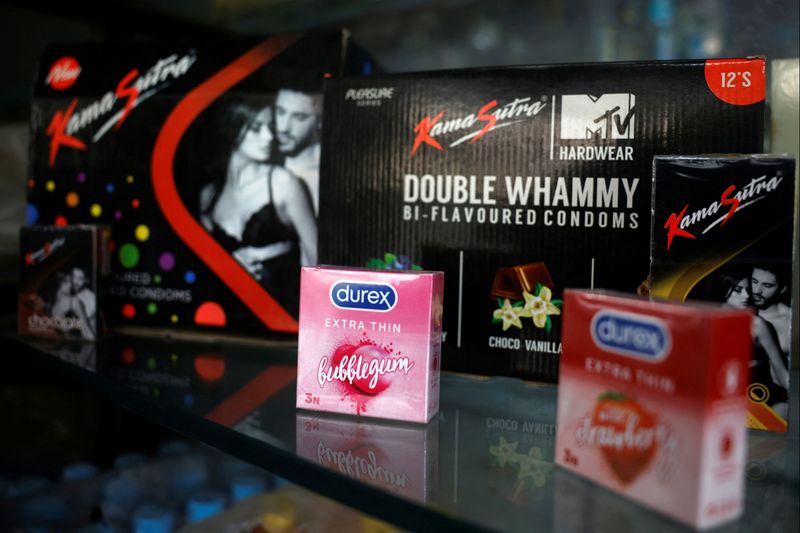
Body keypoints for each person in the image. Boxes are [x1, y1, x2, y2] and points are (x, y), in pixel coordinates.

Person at [200, 101, 317, 316]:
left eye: (269, 127)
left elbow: (315, 259)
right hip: (229, 315)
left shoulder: (283, 183)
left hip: (280, 314)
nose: (269, 136)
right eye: (256, 128)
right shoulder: (210, 195)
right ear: (232, 130)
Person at [720, 273, 788, 417]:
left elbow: (780, 370)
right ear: (724, 290)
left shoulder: (756, 324)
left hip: (759, 393)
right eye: (738, 290)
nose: (746, 296)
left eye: (748, 290)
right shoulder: (706, 318)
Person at [274, 88, 322, 214]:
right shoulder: (260, 161)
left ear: (320, 121)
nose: (283, 128)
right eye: (280, 112)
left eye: (299, 117)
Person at [750, 266, 791, 356]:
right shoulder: (737, 310)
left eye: (767, 286)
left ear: (783, 288)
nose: (756, 291)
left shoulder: (791, 320)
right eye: (754, 281)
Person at [50, 267, 96, 340]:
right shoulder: (65, 292)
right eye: (73, 277)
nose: (75, 281)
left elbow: (79, 325)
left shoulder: (90, 298)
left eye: (80, 278)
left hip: (85, 342)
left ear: (86, 281)